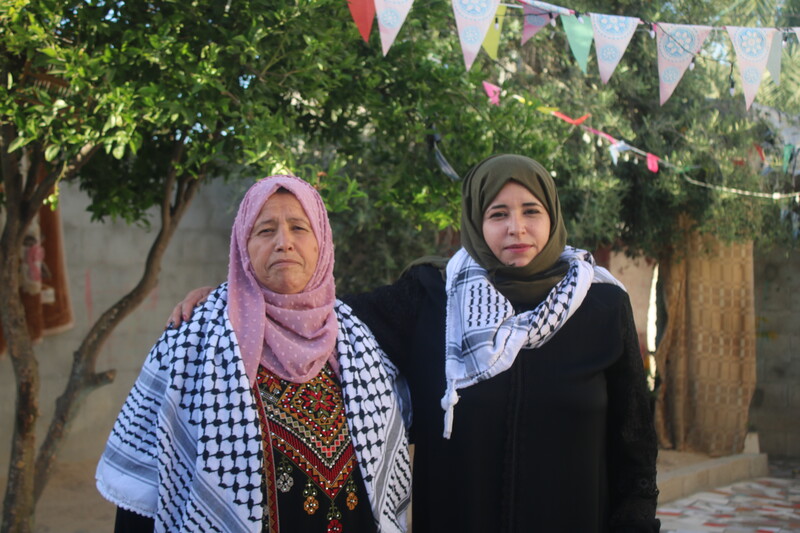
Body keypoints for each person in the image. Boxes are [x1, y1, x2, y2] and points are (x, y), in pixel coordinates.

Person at [170, 155, 661, 532]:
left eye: (531, 211)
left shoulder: (599, 306)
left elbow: (633, 441)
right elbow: (315, 307)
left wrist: (636, 521)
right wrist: (235, 295)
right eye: (497, 213)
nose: (516, 228)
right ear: (474, 221)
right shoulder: (431, 296)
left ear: (552, 216)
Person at [96, 175, 411, 533]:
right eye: (264, 231)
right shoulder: (193, 340)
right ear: (242, 247)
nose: (284, 243)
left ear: (321, 242)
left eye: (299, 227)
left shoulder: (356, 337)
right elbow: (144, 492)